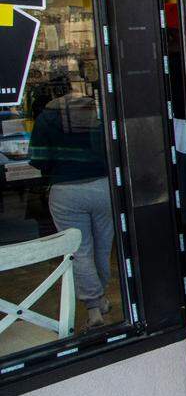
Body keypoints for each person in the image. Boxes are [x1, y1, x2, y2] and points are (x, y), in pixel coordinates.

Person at [29, 82, 112, 328]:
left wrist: (56, 169)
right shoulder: (96, 112)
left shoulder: (46, 117)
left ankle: (93, 307)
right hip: (102, 186)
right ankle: (102, 296)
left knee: (79, 251)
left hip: (66, 191)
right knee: (103, 247)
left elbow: (39, 158)